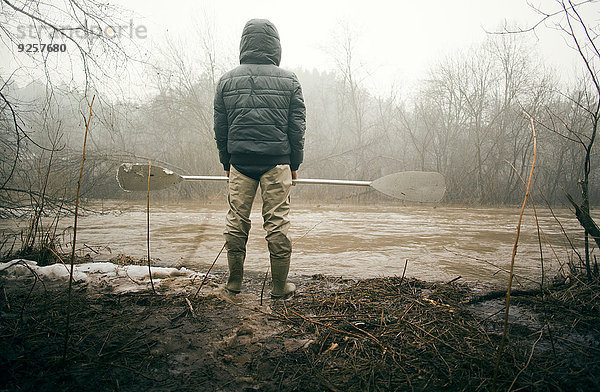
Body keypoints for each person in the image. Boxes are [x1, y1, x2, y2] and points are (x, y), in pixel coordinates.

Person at [213, 19, 306, 299]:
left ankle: (234, 283)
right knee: (277, 222)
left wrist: (226, 162)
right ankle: (279, 287)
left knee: (236, 221)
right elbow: (297, 128)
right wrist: (295, 164)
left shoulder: (227, 80)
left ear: (244, 44)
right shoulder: (289, 80)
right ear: (275, 46)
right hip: (278, 162)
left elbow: (221, 128)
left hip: (239, 163)